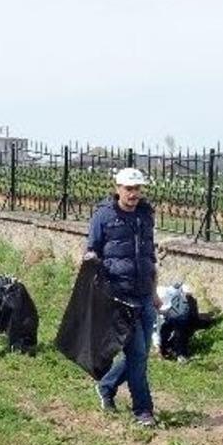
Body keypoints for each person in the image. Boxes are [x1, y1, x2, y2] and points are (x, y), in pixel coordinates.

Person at [84, 167, 161, 427]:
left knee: (138, 356)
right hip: (119, 299)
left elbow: (150, 257)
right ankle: (143, 411)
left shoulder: (145, 216)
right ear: (117, 188)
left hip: (144, 296)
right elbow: (91, 251)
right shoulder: (103, 216)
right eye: (129, 189)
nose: (133, 194)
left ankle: (106, 386)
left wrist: (154, 293)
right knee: (138, 353)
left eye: (137, 189)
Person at [155, 282, 222, 362]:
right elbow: (156, 329)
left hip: (177, 314)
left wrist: (186, 292)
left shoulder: (173, 294)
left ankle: (172, 351)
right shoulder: (191, 301)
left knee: (173, 331)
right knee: (173, 333)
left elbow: (180, 285)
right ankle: (173, 352)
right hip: (177, 317)